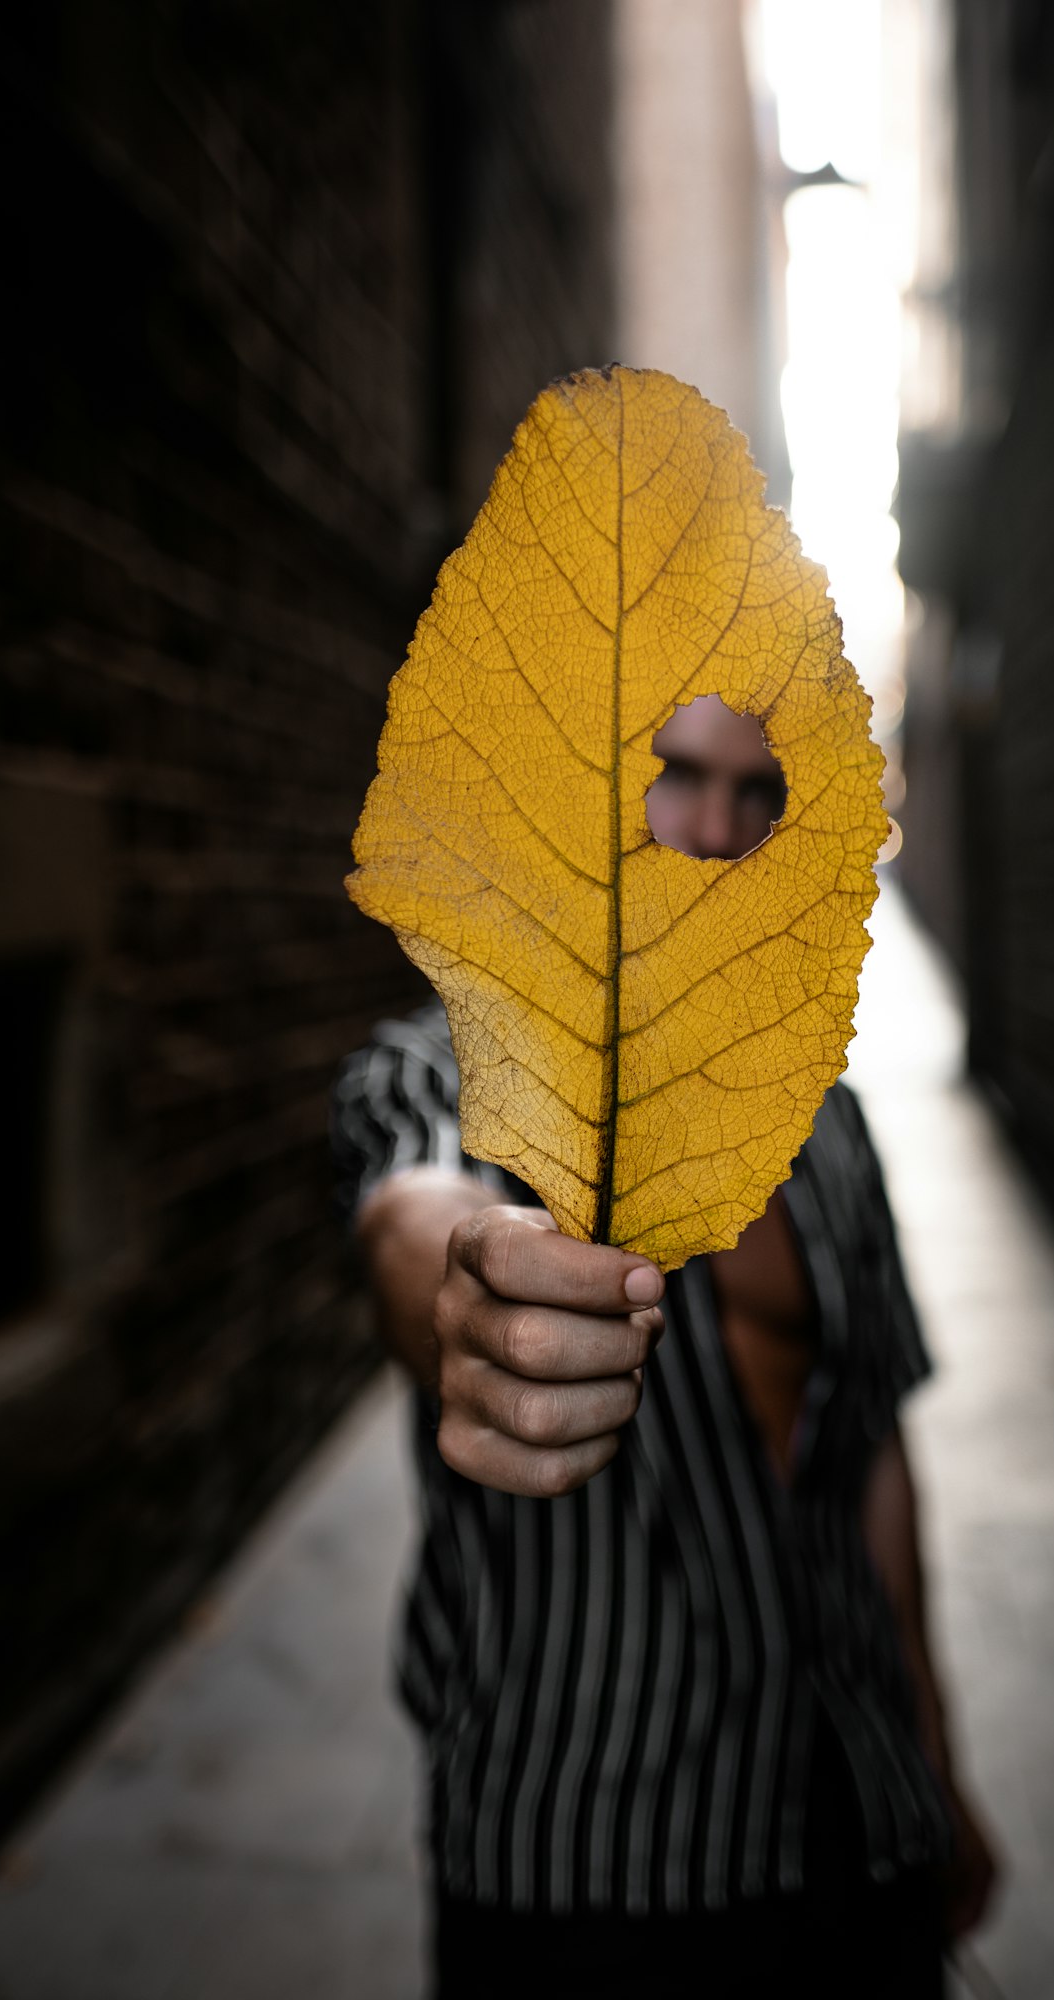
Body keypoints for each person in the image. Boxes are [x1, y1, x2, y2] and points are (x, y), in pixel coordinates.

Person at [333, 696, 998, 1998]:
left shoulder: (831, 1123)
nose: (713, 828)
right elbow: (416, 1213)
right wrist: (472, 1297)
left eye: (758, 793)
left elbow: (871, 1454)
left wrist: (935, 1760)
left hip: (852, 1818)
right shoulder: (454, 1073)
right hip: (583, 1854)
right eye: (674, 777)